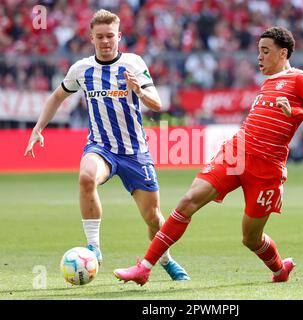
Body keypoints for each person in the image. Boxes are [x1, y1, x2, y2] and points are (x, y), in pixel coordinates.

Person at [113, 26, 303, 285]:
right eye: (258, 51)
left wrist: (297, 113)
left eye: (265, 51)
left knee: (250, 238)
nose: (259, 57)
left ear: (283, 53)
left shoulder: (299, 79)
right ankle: (145, 268)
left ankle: (279, 269)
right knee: (189, 200)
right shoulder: (267, 83)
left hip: (267, 168)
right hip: (237, 153)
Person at [24, 9, 189, 281]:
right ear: (91, 38)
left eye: (110, 36)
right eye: (99, 36)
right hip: (101, 147)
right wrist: (38, 129)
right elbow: (56, 97)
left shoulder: (134, 64)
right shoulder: (82, 69)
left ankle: (166, 260)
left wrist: (139, 90)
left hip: (135, 151)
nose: (105, 41)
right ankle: (94, 248)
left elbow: (158, 104)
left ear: (119, 36)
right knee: (86, 177)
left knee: (154, 219)